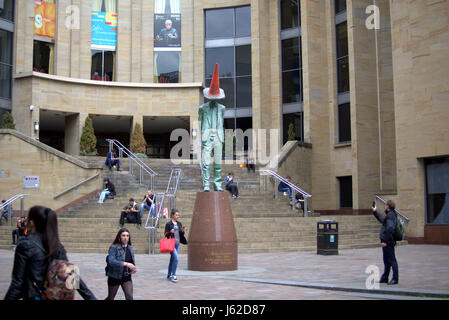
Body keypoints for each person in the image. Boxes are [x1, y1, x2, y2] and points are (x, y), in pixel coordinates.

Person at [4, 206, 96, 300]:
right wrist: (90, 297)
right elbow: (72, 275)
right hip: (55, 296)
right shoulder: (57, 245)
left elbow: (17, 284)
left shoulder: (25, 245)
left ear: (31, 223)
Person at [199, 63, 226, 192]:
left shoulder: (222, 109)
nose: (214, 99)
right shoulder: (202, 108)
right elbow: (200, 123)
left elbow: (222, 123)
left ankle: (217, 183)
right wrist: (203, 137)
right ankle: (206, 184)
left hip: (218, 136)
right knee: (205, 163)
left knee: (218, 163)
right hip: (207, 135)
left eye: (216, 97)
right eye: (212, 97)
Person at [372, 200, 399, 285]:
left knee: (392, 260)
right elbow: (383, 221)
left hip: (388, 242)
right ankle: (385, 277)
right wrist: (375, 212)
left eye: (385, 205)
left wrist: (385, 240)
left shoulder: (390, 215)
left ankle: (395, 279)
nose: (384, 206)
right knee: (387, 260)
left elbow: (390, 228)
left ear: (388, 206)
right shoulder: (390, 215)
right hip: (389, 241)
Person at [105, 228, 136, 300]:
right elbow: (111, 261)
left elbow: (131, 260)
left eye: (127, 236)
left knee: (129, 297)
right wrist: (126, 264)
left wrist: (133, 268)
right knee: (110, 297)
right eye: (123, 235)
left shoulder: (130, 248)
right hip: (115, 276)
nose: (125, 238)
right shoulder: (114, 247)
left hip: (126, 276)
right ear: (119, 237)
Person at [164, 209, 187, 283]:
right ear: (172, 215)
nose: (178, 216)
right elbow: (165, 234)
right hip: (171, 244)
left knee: (172, 259)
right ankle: (173, 275)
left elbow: (181, 234)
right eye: (176, 215)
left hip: (177, 244)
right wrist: (170, 232)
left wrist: (182, 231)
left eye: (178, 215)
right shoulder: (169, 224)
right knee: (176, 259)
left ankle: (168, 274)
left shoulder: (179, 224)